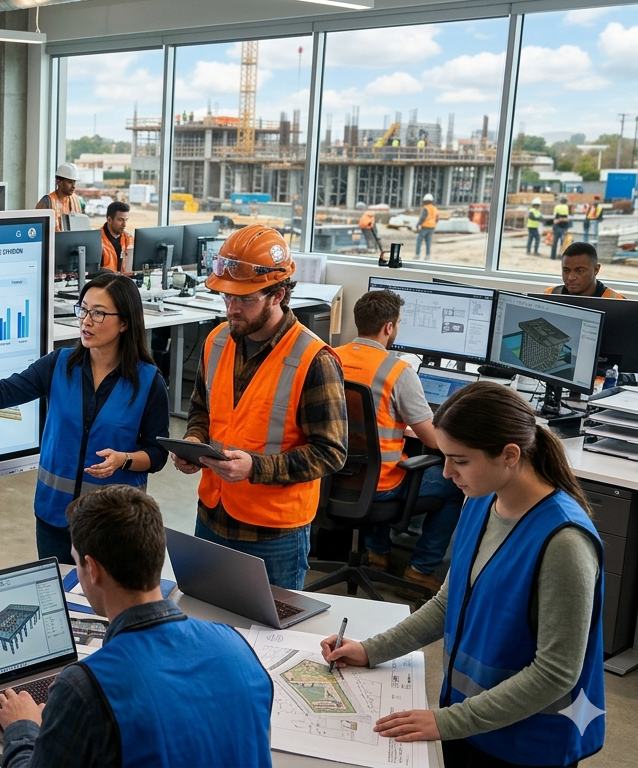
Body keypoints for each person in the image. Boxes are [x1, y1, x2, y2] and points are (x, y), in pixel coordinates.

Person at [322, 382, 605, 768]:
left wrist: (449, 721)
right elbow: (449, 602)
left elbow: (555, 674)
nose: (446, 471)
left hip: (526, 742)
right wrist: (372, 650)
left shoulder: (564, 543)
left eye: (460, 460)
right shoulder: (480, 501)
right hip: (471, 722)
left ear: (509, 455)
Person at [0, 486, 272, 767]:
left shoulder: (85, 688)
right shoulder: (235, 645)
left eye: (76, 562)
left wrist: (22, 726)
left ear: (93, 569)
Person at [0, 271, 169, 564]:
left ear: (125, 323)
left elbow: (157, 455)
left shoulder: (148, 382)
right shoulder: (59, 365)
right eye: (83, 309)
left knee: (104, 609)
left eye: (99, 313)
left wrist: (124, 460)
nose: (86, 320)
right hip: (54, 516)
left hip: (114, 523)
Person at [171, 225, 347, 589]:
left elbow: (330, 453)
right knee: (208, 627)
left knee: (271, 640)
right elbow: (202, 409)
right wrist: (192, 441)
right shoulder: (218, 340)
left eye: (244, 300)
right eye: (226, 298)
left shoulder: (314, 360)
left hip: (273, 534)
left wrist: (256, 468)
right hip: (212, 514)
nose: (231, 309)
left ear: (277, 295)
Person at [336, 290, 465, 594]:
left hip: (330, 476)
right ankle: (420, 569)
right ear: (389, 327)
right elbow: (433, 440)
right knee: (453, 485)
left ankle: (378, 555)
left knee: (378, 462)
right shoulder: (397, 371)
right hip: (380, 487)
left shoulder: (328, 356)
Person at [543, 241, 626, 298]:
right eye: (566, 271)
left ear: (596, 269)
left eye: (579, 271)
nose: (570, 278)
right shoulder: (549, 296)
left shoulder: (617, 304)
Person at [36, 163, 85, 233]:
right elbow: (38, 230)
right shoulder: (46, 203)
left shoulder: (77, 201)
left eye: (74, 182)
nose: (74, 186)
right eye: (70, 182)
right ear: (58, 182)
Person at [99, 201, 134, 273]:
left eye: (126, 220)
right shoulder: (96, 239)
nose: (124, 224)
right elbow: (91, 270)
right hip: (104, 282)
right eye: (120, 220)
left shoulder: (129, 239)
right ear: (109, 220)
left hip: (125, 281)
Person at [415, 193, 438, 261]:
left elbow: (423, 217)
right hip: (432, 227)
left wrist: (418, 225)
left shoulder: (426, 208)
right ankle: (428, 256)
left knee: (419, 241)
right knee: (428, 242)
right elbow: (437, 219)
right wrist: (433, 224)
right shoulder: (435, 208)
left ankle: (417, 255)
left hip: (424, 227)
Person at [551, 194, 571, 260]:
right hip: (563, 226)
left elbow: (555, 217)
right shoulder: (566, 207)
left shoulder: (557, 207)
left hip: (558, 226)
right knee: (563, 242)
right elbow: (566, 217)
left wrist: (559, 220)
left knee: (555, 242)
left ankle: (553, 256)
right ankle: (562, 257)